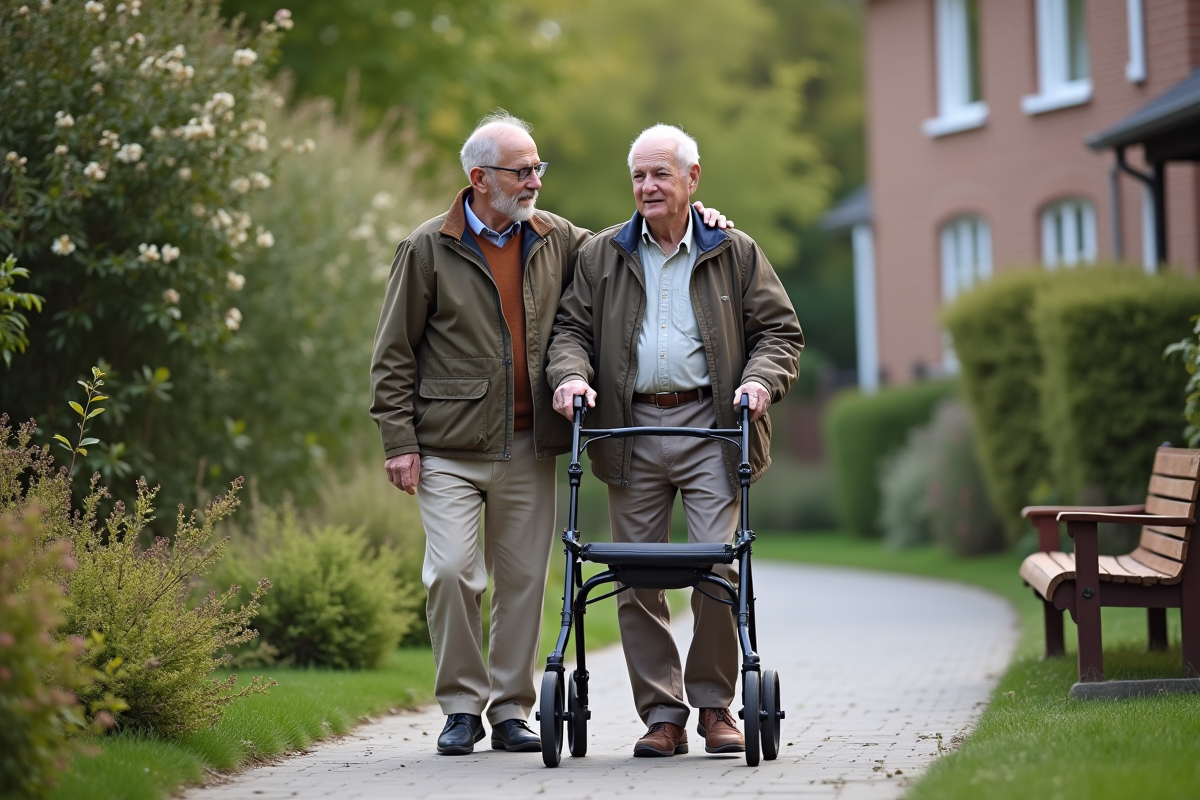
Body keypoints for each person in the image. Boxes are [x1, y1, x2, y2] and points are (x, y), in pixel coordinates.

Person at [370, 113, 731, 756]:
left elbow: (631, 248)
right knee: (453, 571)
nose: (535, 180)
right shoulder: (427, 248)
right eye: (522, 170)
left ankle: (510, 710)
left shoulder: (560, 238)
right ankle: (460, 706)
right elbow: (393, 353)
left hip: (532, 442)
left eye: (539, 167)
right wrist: (399, 441)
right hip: (448, 445)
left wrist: (698, 221)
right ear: (479, 178)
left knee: (524, 584)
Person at [546, 123, 803, 758]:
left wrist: (760, 381)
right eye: (637, 175)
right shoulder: (603, 254)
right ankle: (662, 716)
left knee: (718, 563)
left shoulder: (733, 250)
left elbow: (780, 331)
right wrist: (571, 376)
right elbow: (570, 329)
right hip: (629, 430)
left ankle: (716, 706)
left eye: (660, 174)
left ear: (692, 180)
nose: (647, 186)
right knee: (634, 577)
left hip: (711, 427)